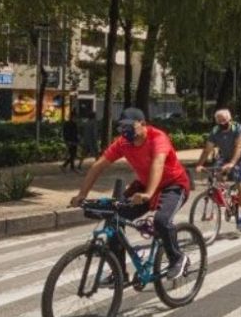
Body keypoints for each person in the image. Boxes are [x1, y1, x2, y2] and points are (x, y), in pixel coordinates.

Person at [70, 108, 191, 280]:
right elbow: (98, 166)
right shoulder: (123, 143)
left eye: (129, 126)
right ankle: (119, 272)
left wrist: (149, 193)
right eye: (121, 127)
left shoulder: (157, 138)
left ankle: (177, 257)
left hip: (173, 185)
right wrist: (82, 194)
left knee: (161, 221)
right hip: (144, 186)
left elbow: (158, 163)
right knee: (115, 218)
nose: (125, 131)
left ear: (142, 124)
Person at [196, 109, 241, 230]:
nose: (222, 124)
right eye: (219, 122)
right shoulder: (215, 131)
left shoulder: (238, 128)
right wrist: (200, 164)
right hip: (225, 156)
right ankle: (226, 196)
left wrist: (232, 163)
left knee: (240, 183)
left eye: (224, 121)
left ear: (230, 120)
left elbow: (239, 147)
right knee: (216, 174)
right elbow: (207, 149)